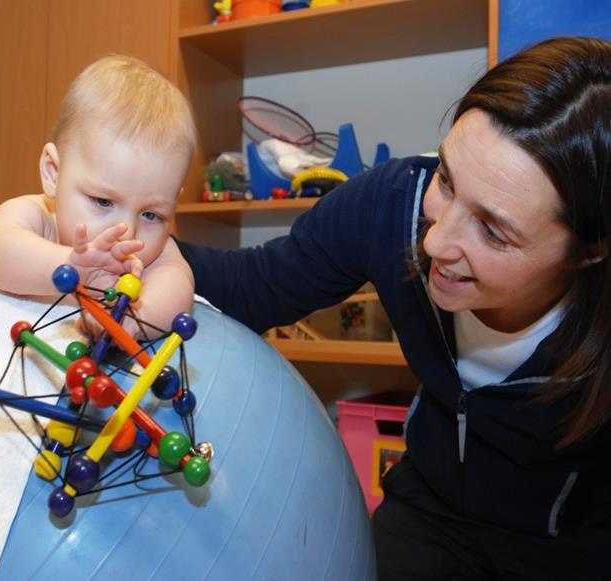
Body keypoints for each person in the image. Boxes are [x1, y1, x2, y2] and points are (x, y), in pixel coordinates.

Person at [175, 37, 611, 579]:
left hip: (574, 545)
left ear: (590, 252)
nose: (434, 244)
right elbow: (247, 287)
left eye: (494, 232)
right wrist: (111, 233)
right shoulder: (393, 205)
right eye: (447, 181)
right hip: (425, 515)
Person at [0, 54, 196, 339]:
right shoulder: (36, 215)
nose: (127, 232)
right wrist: (72, 265)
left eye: (151, 215)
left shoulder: (155, 253)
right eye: (103, 201)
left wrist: (134, 321)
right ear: (54, 173)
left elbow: (179, 287)